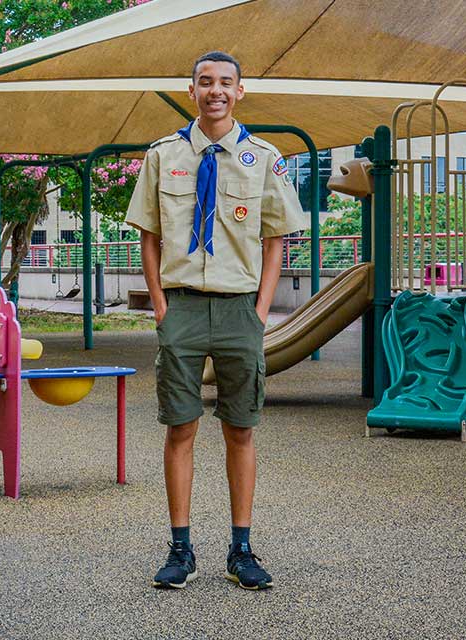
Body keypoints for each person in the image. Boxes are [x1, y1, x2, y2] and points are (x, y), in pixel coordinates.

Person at [125, 50, 307, 590]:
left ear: (240, 91)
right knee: (180, 426)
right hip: (180, 305)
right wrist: (160, 305)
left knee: (240, 429)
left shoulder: (264, 158)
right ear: (192, 91)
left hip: (237, 309)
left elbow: (277, 239)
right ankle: (180, 549)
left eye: (226, 83)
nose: (216, 92)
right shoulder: (163, 155)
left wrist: (258, 309)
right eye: (206, 83)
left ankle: (242, 549)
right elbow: (150, 235)